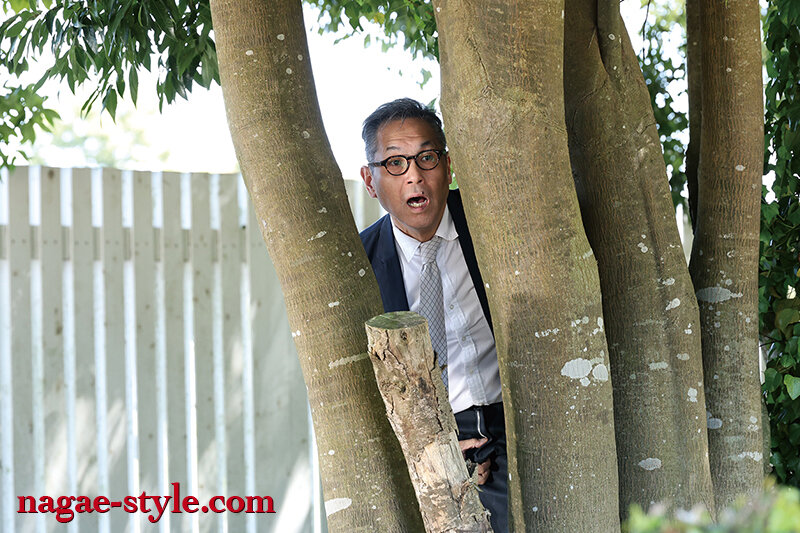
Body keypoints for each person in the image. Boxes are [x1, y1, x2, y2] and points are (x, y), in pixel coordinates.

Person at [358, 98, 508, 532]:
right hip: (429, 436)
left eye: (427, 157)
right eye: (395, 163)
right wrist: (433, 445)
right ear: (370, 180)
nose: (414, 175)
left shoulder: (491, 224)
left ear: (447, 164)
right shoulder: (360, 264)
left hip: (517, 414)